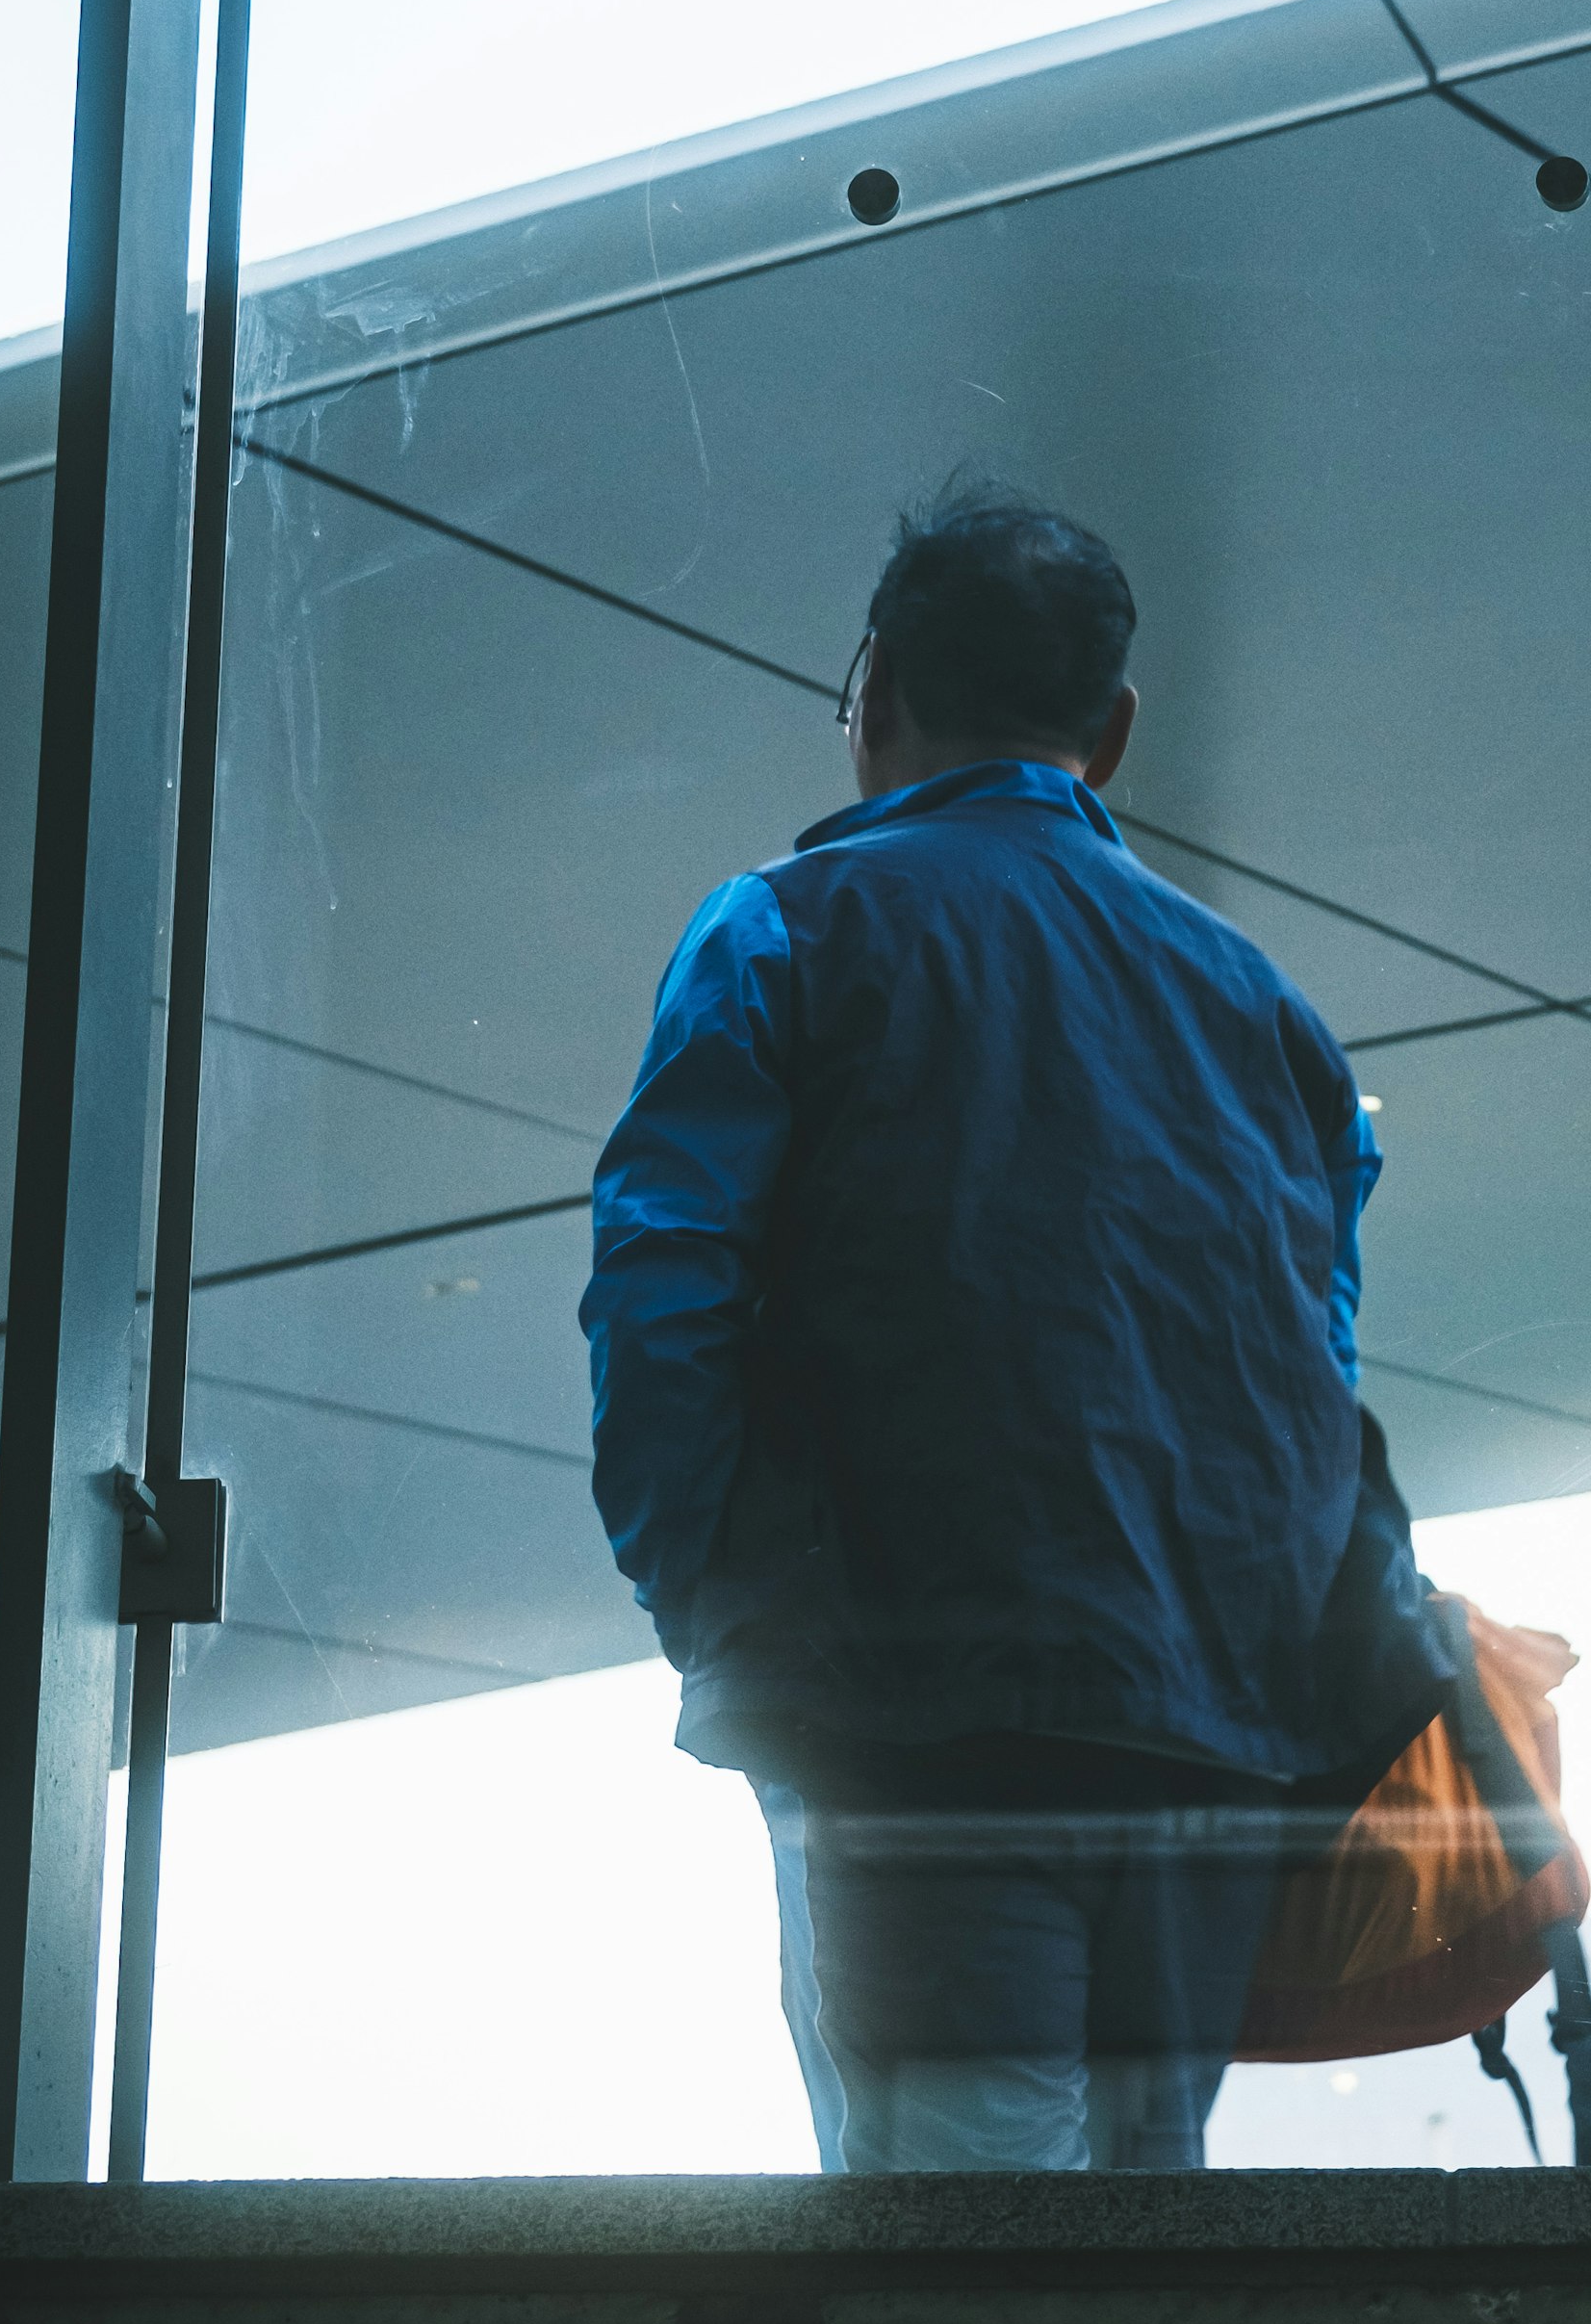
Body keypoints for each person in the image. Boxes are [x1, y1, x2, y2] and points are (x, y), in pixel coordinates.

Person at [581, 480, 1391, 2175]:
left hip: (910, 1721)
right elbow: (1315, 1366)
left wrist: (720, 1609)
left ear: (874, 688)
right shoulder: (1272, 1018)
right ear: (1116, 725)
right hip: (1208, 1746)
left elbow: (665, 1294)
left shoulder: (789, 934)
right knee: (1139, 2241)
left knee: (952, 2262)